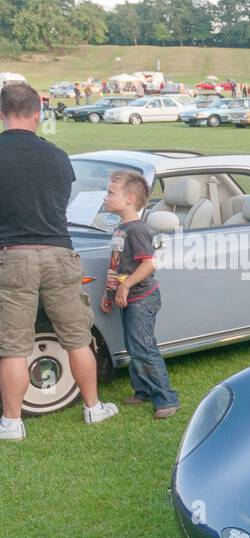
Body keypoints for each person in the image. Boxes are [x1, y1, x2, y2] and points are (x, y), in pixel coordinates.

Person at [0, 83, 118, 441]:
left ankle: (12, 422)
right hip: (58, 252)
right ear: (38, 114)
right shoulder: (58, 156)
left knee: (13, 344)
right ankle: (93, 407)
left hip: (13, 256)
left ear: (2, 114)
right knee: (77, 337)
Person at [98, 171, 179, 419]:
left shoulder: (138, 230)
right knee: (134, 346)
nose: (106, 197)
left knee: (144, 347)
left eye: (111, 193)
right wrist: (108, 291)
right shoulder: (121, 228)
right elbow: (117, 264)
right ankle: (143, 390)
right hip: (128, 298)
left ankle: (166, 398)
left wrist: (125, 286)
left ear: (130, 198)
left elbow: (149, 264)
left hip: (142, 299)